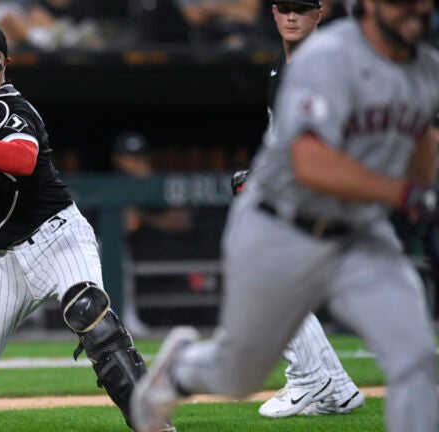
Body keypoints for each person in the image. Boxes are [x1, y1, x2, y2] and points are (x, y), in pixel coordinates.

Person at [131, 0, 439, 430]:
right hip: (283, 227)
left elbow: (421, 137)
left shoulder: (425, 66)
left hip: (359, 235)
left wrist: (425, 192)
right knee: (238, 374)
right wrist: (407, 195)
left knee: (416, 357)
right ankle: (181, 371)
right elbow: (311, 164)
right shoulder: (326, 57)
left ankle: (326, 385)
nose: (412, 9)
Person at [0, 13, 175, 432]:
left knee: (90, 313)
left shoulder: (13, 110)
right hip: (0, 259)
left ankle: (152, 423)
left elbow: (23, 159)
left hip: (56, 236)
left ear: (6, 65)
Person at [233, 0, 364, 418]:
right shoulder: (280, 66)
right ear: (273, 12)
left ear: (319, 15)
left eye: (302, 9)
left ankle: (311, 379)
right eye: (286, 7)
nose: (293, 16)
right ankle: (337, 387)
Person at [111, 130, 194, 335]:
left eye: (139, 156)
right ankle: (125, 319)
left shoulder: (159, 184)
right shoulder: (113, 186)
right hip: (131, 261)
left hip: (171, 261)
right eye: (128, 157)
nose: (134, 162)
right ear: (117, 160)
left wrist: (144, 217)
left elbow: (183, 221)